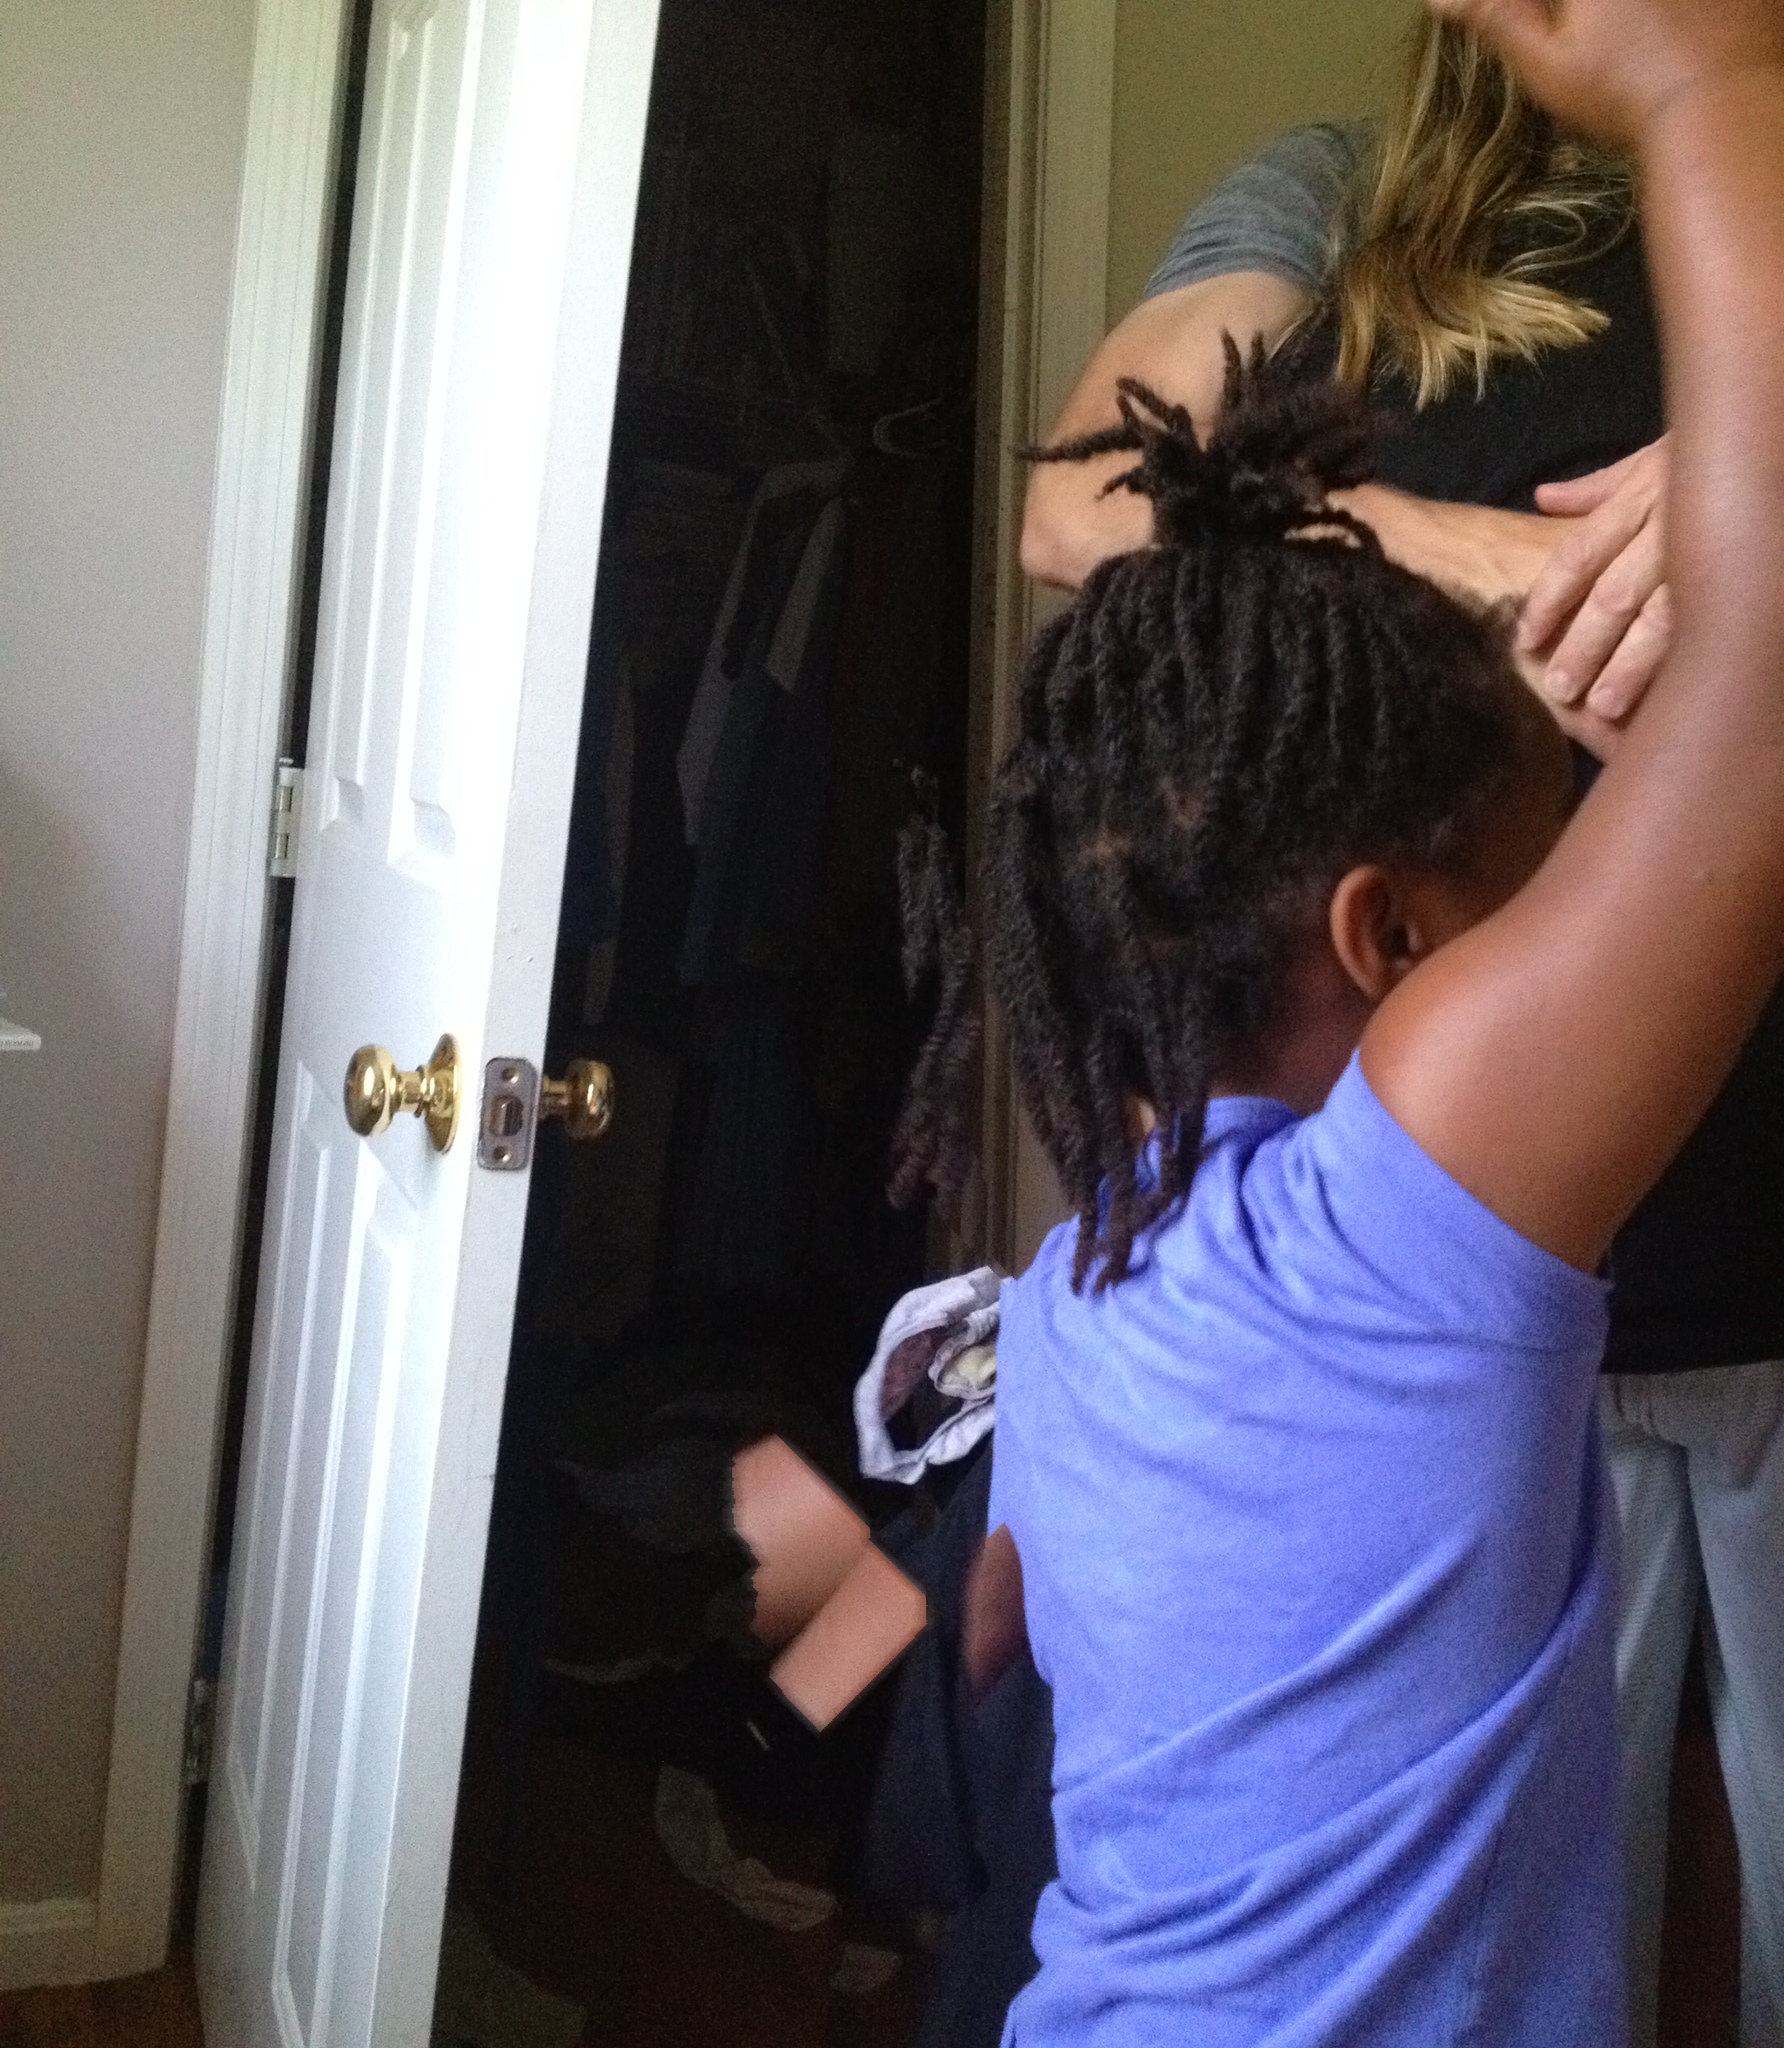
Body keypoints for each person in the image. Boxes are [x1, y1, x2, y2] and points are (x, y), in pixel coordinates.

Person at [879, 0, 1784, 2036]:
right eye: (1557, 855)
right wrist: (1706, 84)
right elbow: (1760, 705)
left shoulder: (1087, 1298)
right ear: (1388, 940)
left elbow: (1005, 1614)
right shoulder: (1407, 1231)